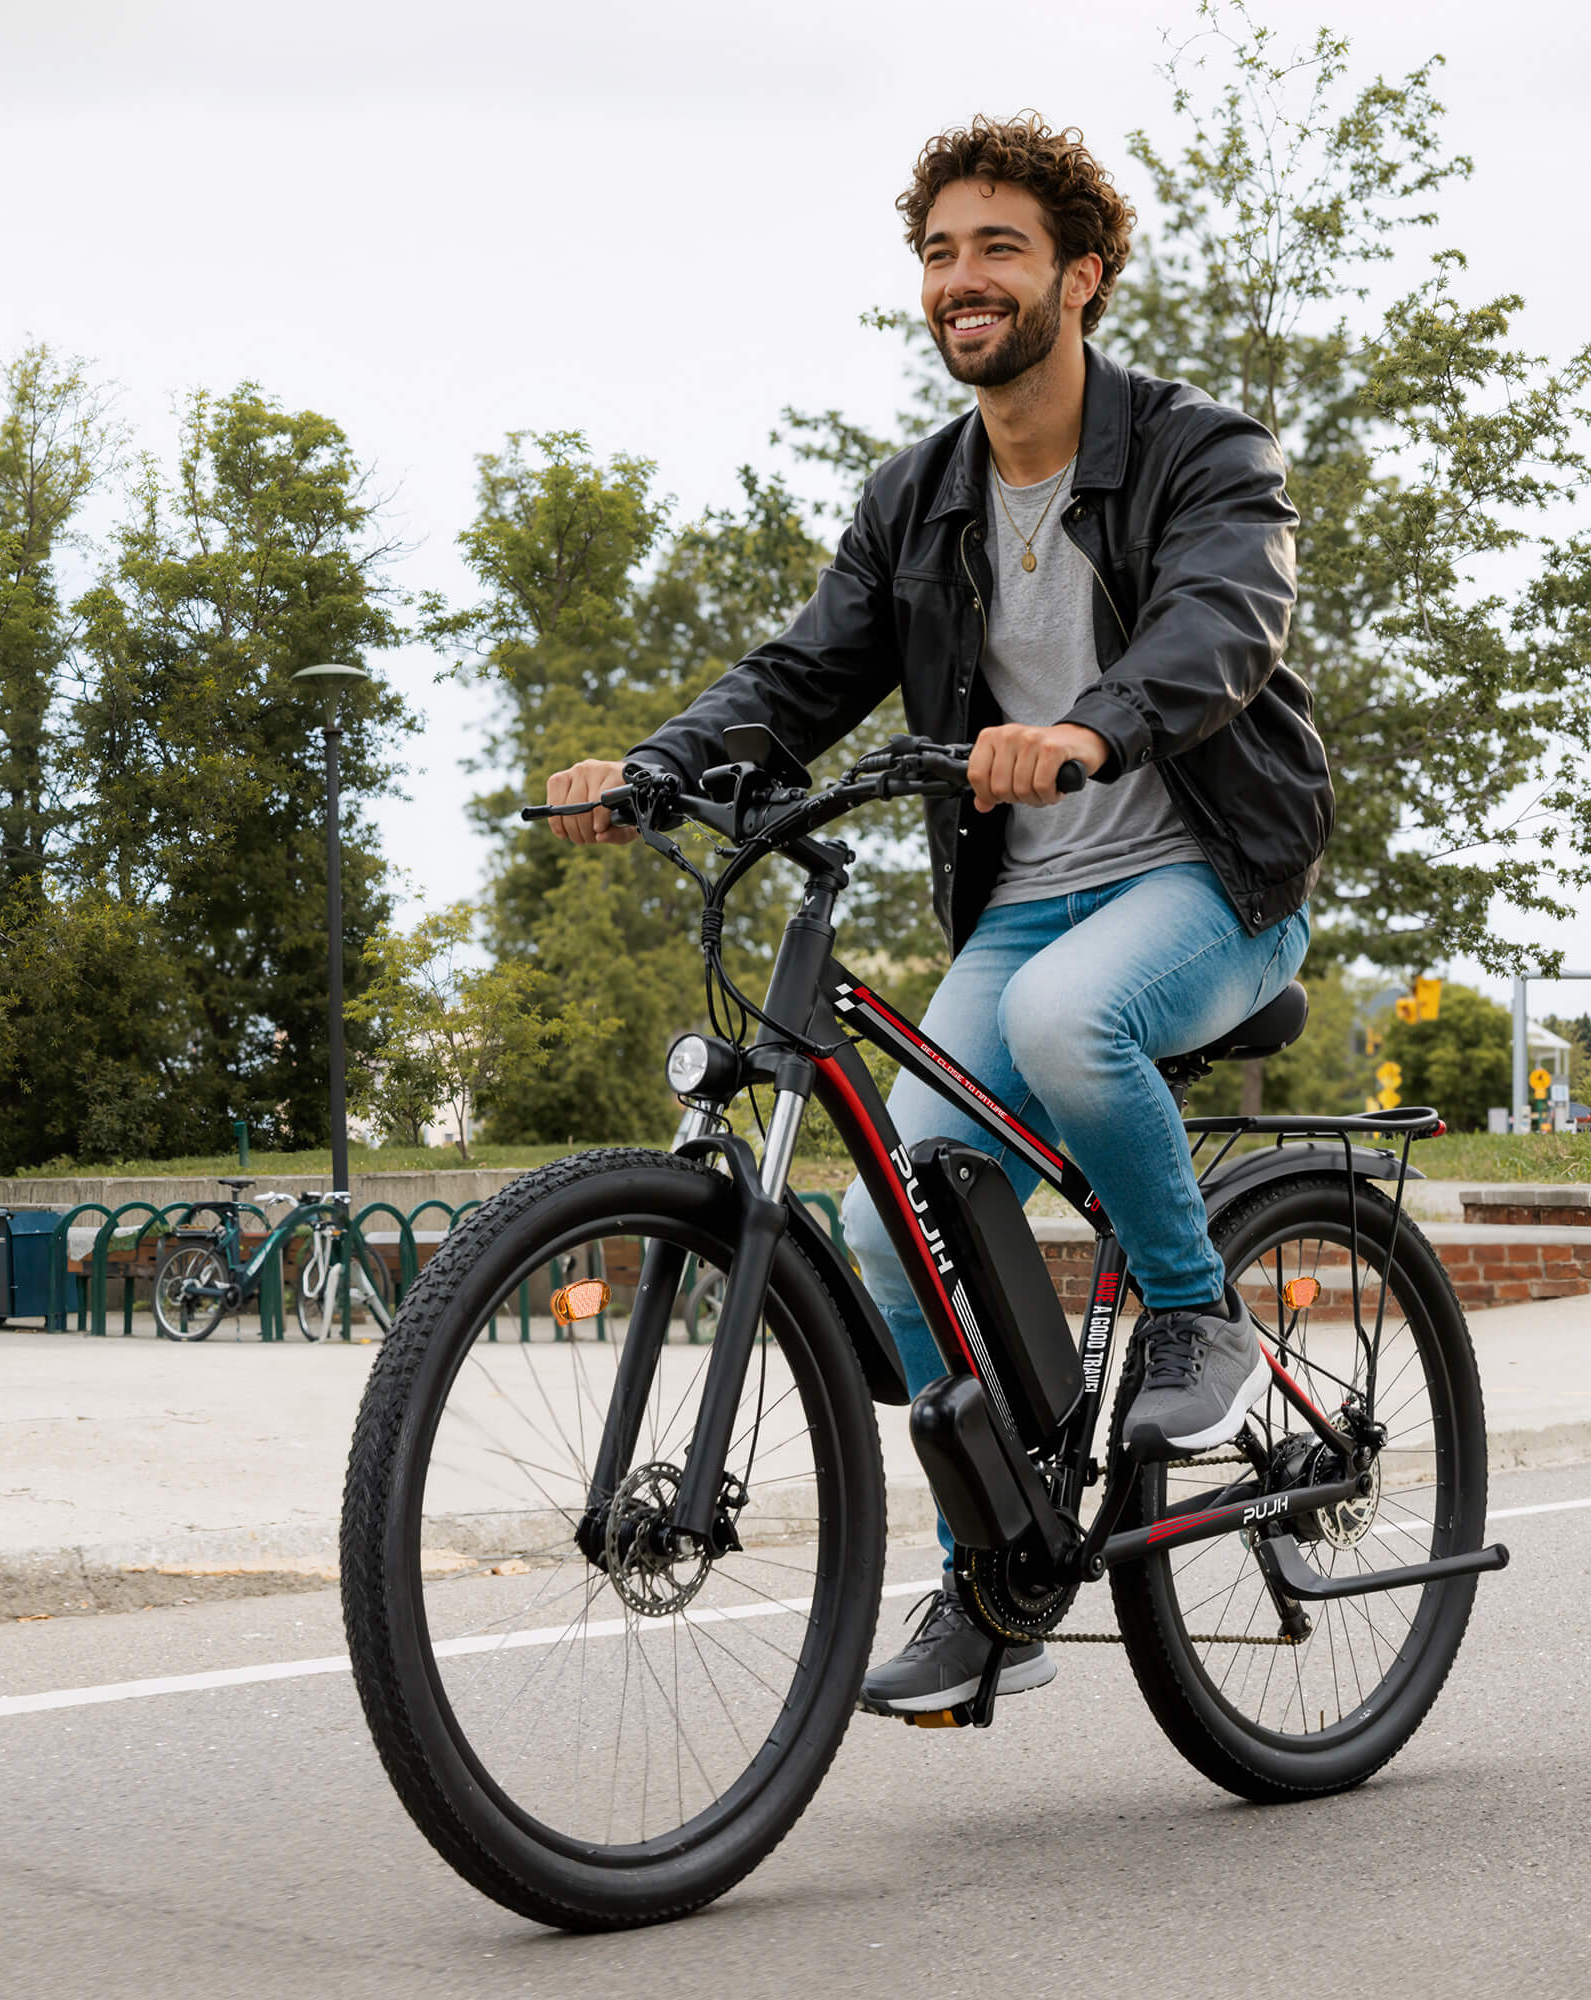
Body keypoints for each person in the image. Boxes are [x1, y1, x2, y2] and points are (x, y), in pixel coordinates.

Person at [543, 113, 1333, 1719]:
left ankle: (1192, 1315)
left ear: (1080, 277)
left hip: (1208, 882)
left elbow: (1220, 624)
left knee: (1061, 1023)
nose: (961, 281)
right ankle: (1006, 1563)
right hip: (1030, 904)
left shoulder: (1201, 452)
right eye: (938, 254)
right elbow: (807, 670)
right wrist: (664, 763)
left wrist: (1093, 728)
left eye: (999, 249)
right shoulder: (919, 499)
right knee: (887, 1234)